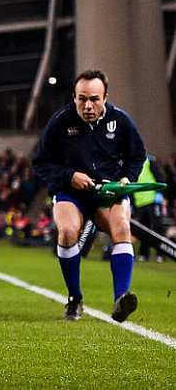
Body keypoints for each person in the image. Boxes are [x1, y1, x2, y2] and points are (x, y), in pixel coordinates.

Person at [32, 69, 146, 322]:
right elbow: (40, 162)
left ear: (105, 97)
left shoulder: (121, 121)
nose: (88, 105)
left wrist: (127, 179)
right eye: (82, 98)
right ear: (74, 97)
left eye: (94, 99)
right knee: (67, 232)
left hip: (108, 192)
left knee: (121, 228)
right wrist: (69, 176)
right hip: (71, 192)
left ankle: (120, 299)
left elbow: (137, 156)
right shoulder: (61, 121)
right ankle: (75, 298)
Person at [132, 155, 166, 262]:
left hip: (152, 200)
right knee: (143, 230)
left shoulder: (149, 161)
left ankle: (161, 254)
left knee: (157, 227)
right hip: (140, 202)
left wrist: (159, 193)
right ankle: (144, 254)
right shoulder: (131, 164)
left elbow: (160, 177)